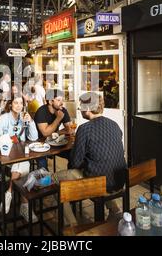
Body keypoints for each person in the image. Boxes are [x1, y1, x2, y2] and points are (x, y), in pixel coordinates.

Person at [55, 92, 127, 226]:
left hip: (99, 184)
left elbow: (75, 163)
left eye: (81, 106)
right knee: (102, 170)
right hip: (119, 181)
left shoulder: (84, 129)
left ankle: (73, 226)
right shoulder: (114, 124)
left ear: (88, 109)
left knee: (56, 180)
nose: (80, 109)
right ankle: (114, 210)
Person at [0, 96, 39, 222]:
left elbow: (34, 138)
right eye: (16, 102)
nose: (19, 105)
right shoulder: (3, 119)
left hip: (21, 156)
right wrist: (9, 146)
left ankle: (9, 193)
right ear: (10, 104)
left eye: (21, 103)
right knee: (23, 165)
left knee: (21, 163)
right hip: (6, 156)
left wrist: (31, 122)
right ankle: (25, 205)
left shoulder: (24, 118)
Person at [34, 89, 72, 169]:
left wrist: (57, 133)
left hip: (56, 142)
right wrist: (58, 118)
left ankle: (70, 179)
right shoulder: (41, 112)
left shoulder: (62, 110)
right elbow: (45, 134)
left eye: (62, 100)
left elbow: (70, 130)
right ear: (50, 102)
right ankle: (44, 180)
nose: (62, 103)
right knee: (42, 166)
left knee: (73, 155)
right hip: (40, 143)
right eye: (58, 100)